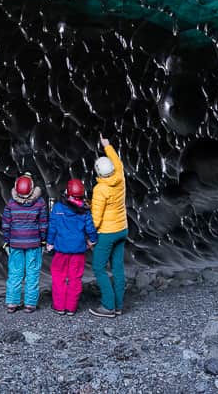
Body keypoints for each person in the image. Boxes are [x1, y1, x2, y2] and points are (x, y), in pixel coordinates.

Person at [89, 133, 128, 318]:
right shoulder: (120, 176)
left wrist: (90, 237)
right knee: (118, 268)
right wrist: (107, 145)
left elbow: (96, 217)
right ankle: (119, 305)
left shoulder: (100, 189)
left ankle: (108, 306)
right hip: (122, 229)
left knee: (98, 267)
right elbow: (117, 161)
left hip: (107, 233)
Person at [46, 179, 98, 315]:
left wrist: (49, 242)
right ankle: (71, 307)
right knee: (75, 278)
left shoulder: (58, 207)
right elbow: (90, 227)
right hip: (78, 250)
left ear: (67, 192)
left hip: (61, 249)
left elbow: (52, 227)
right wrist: (93, 240)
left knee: (58, 276)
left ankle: (59, 307)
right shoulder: (84, 210)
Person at [1, 172, 48, 313]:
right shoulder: (40, 203)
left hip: (15, 243)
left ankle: (12, 303)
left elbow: (6, 225)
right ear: (32, 188)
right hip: (34, 244)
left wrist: (6, 241)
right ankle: (30, 304)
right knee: (32, 273)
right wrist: (43, 240)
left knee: (15, 273)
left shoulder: (11, 204)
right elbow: (43, 224)